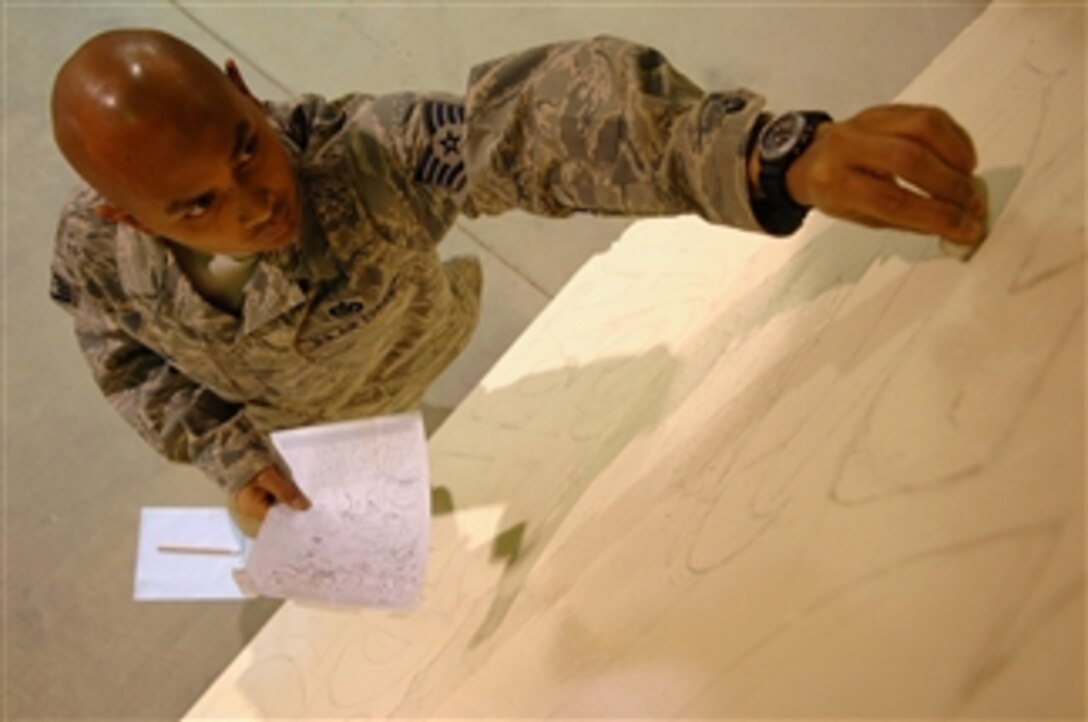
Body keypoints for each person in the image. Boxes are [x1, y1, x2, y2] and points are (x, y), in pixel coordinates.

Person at [49, 29, 987, 531]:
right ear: (126, 218)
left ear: (241, 86)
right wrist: (228, 454)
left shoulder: (367, 155)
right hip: (310, 445)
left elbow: (533, 125)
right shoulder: (94, 257)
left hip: (404, 358)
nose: (250, 205)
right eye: (195, 208)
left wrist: (764, 155)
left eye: (247, 149)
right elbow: (129, 362)